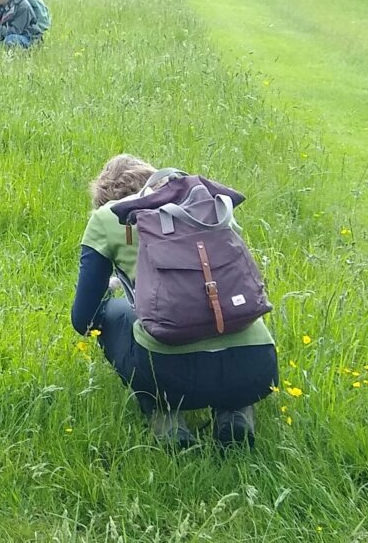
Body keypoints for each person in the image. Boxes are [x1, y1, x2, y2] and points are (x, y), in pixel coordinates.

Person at [71, 154, 278, 448]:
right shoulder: (209, 204)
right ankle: (236, 411)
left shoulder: (108, 216)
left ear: (104, 195)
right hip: (257, 364)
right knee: (225, 310)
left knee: (113, 312)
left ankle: (165, 419)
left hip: (170, 373)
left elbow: (84, 319)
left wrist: (115, 290)